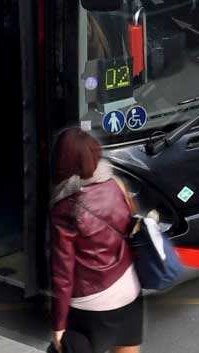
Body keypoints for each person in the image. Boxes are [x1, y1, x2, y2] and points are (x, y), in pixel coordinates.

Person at [50, 128, 143, 353]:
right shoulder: (116, 186)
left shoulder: (66, 208)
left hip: (91, 300)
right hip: (129, 288)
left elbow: (63, 273)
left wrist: (59, 325)